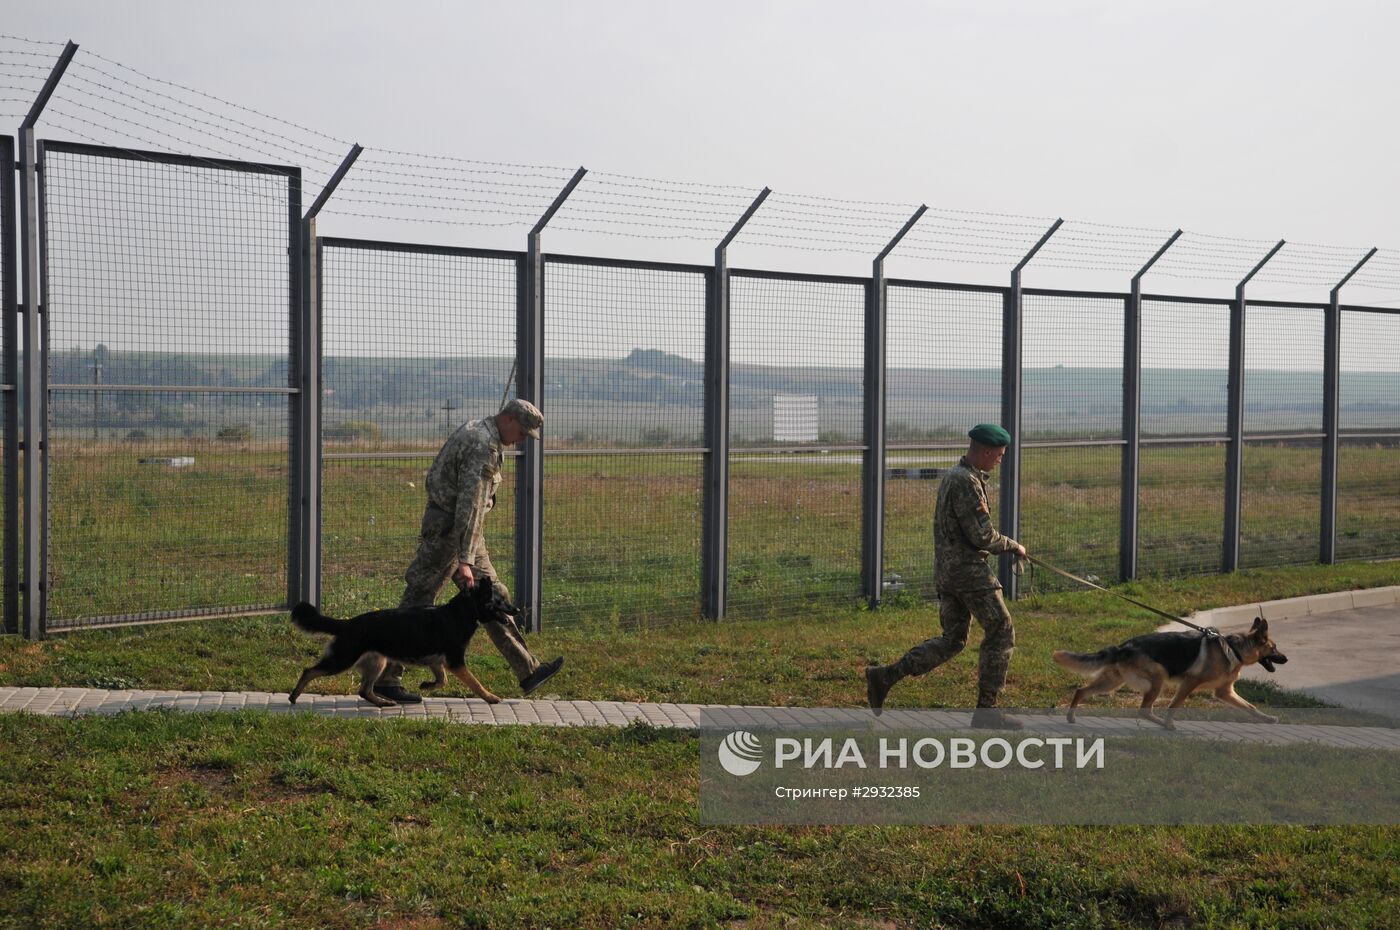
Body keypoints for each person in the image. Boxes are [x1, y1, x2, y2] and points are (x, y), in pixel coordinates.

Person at [363, 397, 564, 704]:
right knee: (418, 600)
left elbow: (476, 500)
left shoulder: (484, 434)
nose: (521, 439)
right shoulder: (482, 444)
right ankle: (386, 679)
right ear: (508, 419)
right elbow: (468, 507)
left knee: (493, 597)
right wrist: (465, 559)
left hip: (466, 534)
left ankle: (528, 670)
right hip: (450, 532)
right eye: (522, 432)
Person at [864, 423, 1027, 729]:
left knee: (953, 640)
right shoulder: (966, 481)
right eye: (1000, 455)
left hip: (947, 572)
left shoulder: (957, 476)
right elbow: (982, 535)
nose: (1000, 460)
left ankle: (884, 676)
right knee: (1001, 629)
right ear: (988, 451)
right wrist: (1013, 546)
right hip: (968, 572)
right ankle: (987, 712)